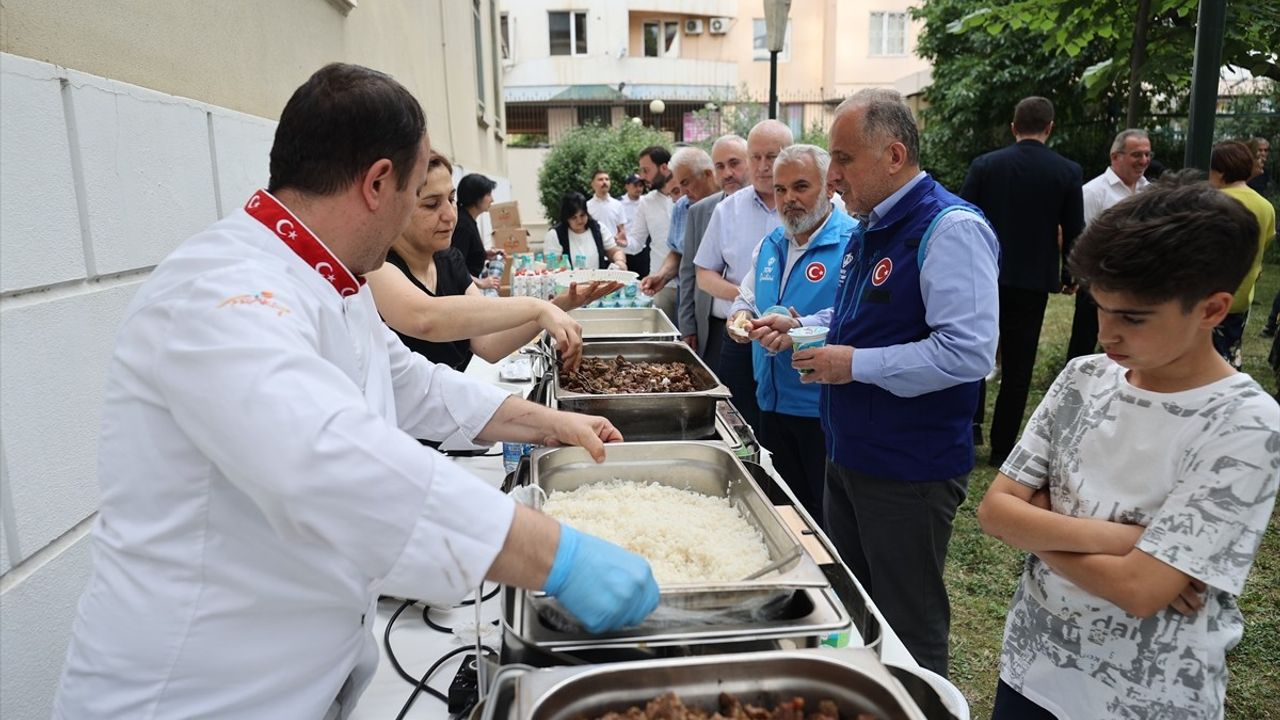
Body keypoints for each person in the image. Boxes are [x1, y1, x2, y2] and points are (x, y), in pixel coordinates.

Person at [52, 63, 659, 719]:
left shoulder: (328, 279)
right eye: (417, 192)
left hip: (298, 675)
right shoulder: (221, 290)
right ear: (377, 183)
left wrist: (548, 423)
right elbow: (327, 459)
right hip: (196, 694)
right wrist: (559, 557)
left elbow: (412, 383)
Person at [976, 181, 1278, 720]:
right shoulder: (1083, 377)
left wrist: (1037, 525)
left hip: (1146, 698)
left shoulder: (1245, 423)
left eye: (1133, 317)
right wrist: (1134, 540)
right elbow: (994, 511)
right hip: (1030, 666)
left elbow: (1139, 590)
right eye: (1100, 307)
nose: (1107, 334)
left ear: (1212, 309)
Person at [755, 89, 999, 676]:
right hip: (850, 454)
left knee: (908, 624)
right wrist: (803, 326)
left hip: (908, 466)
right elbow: (858, 319)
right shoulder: (872, 226)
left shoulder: (949, 228)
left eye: (843, 160)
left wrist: (852, 365)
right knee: (857, 605)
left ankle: (918, 703)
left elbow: (968, 353)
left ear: (893, 155)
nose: (833, 177)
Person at [366, 152, 615, 375]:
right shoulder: (376, 267)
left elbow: (488, 344)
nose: (450, 215)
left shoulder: (450, 260)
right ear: (395, 207)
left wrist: (559, 305)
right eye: (431, 204)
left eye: (451, 199)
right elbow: (426, 318)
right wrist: (537, 308)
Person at [728, 145, 853, 526]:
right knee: (783, 509)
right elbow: (746, 295)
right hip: (770, 400)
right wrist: (740, 318)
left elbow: (857, 318)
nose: (788, 199)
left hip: (824, 409)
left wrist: (801, 329)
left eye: (801, 187)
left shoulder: (853, 242)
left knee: (826, 518)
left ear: (829, 187)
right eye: (780, 190)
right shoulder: (771, 244)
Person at [959, 96, 1085, 466]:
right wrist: (1069, 274)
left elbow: (962, 216)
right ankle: (1002, 446)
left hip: (984, 274)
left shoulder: (985, 165)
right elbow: (1074, 228)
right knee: (1019, 364)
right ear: (1050, 128)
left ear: (1014, 127)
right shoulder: (1067, 171)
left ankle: (970, 428)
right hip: (1032, 279)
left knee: (975, 350)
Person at [695, 121, 793, 428]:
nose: (763, 166)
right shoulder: (728, 210)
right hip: (741, 335)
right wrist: (747, 301)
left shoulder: (814, 206)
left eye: (772, 156)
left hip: (796, 334)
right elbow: (704, 275)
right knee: (741, 424)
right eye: (756, 157)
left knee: (790, 427)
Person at [1066, 128, 1151, 360]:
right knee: (1085, 340)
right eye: (1137, 155)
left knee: (1132, 342)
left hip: (1139, 281)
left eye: (1147, 154)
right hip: (1099, 281)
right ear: (1115, 157)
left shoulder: (1149, 191)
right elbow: (1080, 241)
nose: (1144, 160)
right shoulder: (1093, 192)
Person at [641, 146, 719, 347]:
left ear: (707, 174)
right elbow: (678, 252)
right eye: (679, 185)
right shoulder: (682, 207)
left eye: (686, 183)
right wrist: (662, 275)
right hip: (690, 303)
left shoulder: (729, 205)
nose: (683, 191)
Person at [680, 134, 749, 358]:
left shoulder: (773, 207)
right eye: (720, 166)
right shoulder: (700, 211)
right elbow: (689, 272)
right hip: (713, 326)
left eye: (734, 163)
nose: (727, 173)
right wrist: (687, 325)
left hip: (760, 322)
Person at [1209, 140, 1276, 369]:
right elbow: (1264, 245)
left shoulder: (1213, 202)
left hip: (1208, 295)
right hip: (1242, 296)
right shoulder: (1266, 207)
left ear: (1220, 172)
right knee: (1231, 351)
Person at [629, 146, 677, 319]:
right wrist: (621, 243)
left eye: (646, 170)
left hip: (692, 284)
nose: (642, 176)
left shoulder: (688, 197)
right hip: (659, 284)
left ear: (664, 167)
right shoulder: (646, 202)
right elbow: (635, 244)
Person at [542, 191, 627, 271]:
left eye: (582, 215)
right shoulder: (555, 234)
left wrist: (619, 261)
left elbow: (614, 251)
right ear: (566, 218)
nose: (579, 221)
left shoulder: (598, 228)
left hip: (598, 280)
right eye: (574, 218)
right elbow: (552, 267)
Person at [454, 172, 499, 289]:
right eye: (488, 194)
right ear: (476, 197)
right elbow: (454, 266)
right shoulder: (463, 225)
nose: (492, 199)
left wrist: (485, 254)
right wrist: (481, 283)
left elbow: (466, 254)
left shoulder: (468, 220)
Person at [586, 169, 627, 248]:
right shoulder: (587, 206)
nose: (604, 182)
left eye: (607, 179)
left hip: (614, 249)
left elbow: (621, 230)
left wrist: (619, 239)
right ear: (592, 184)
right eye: (600, 179)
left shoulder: (618, 205)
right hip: (594, 248)